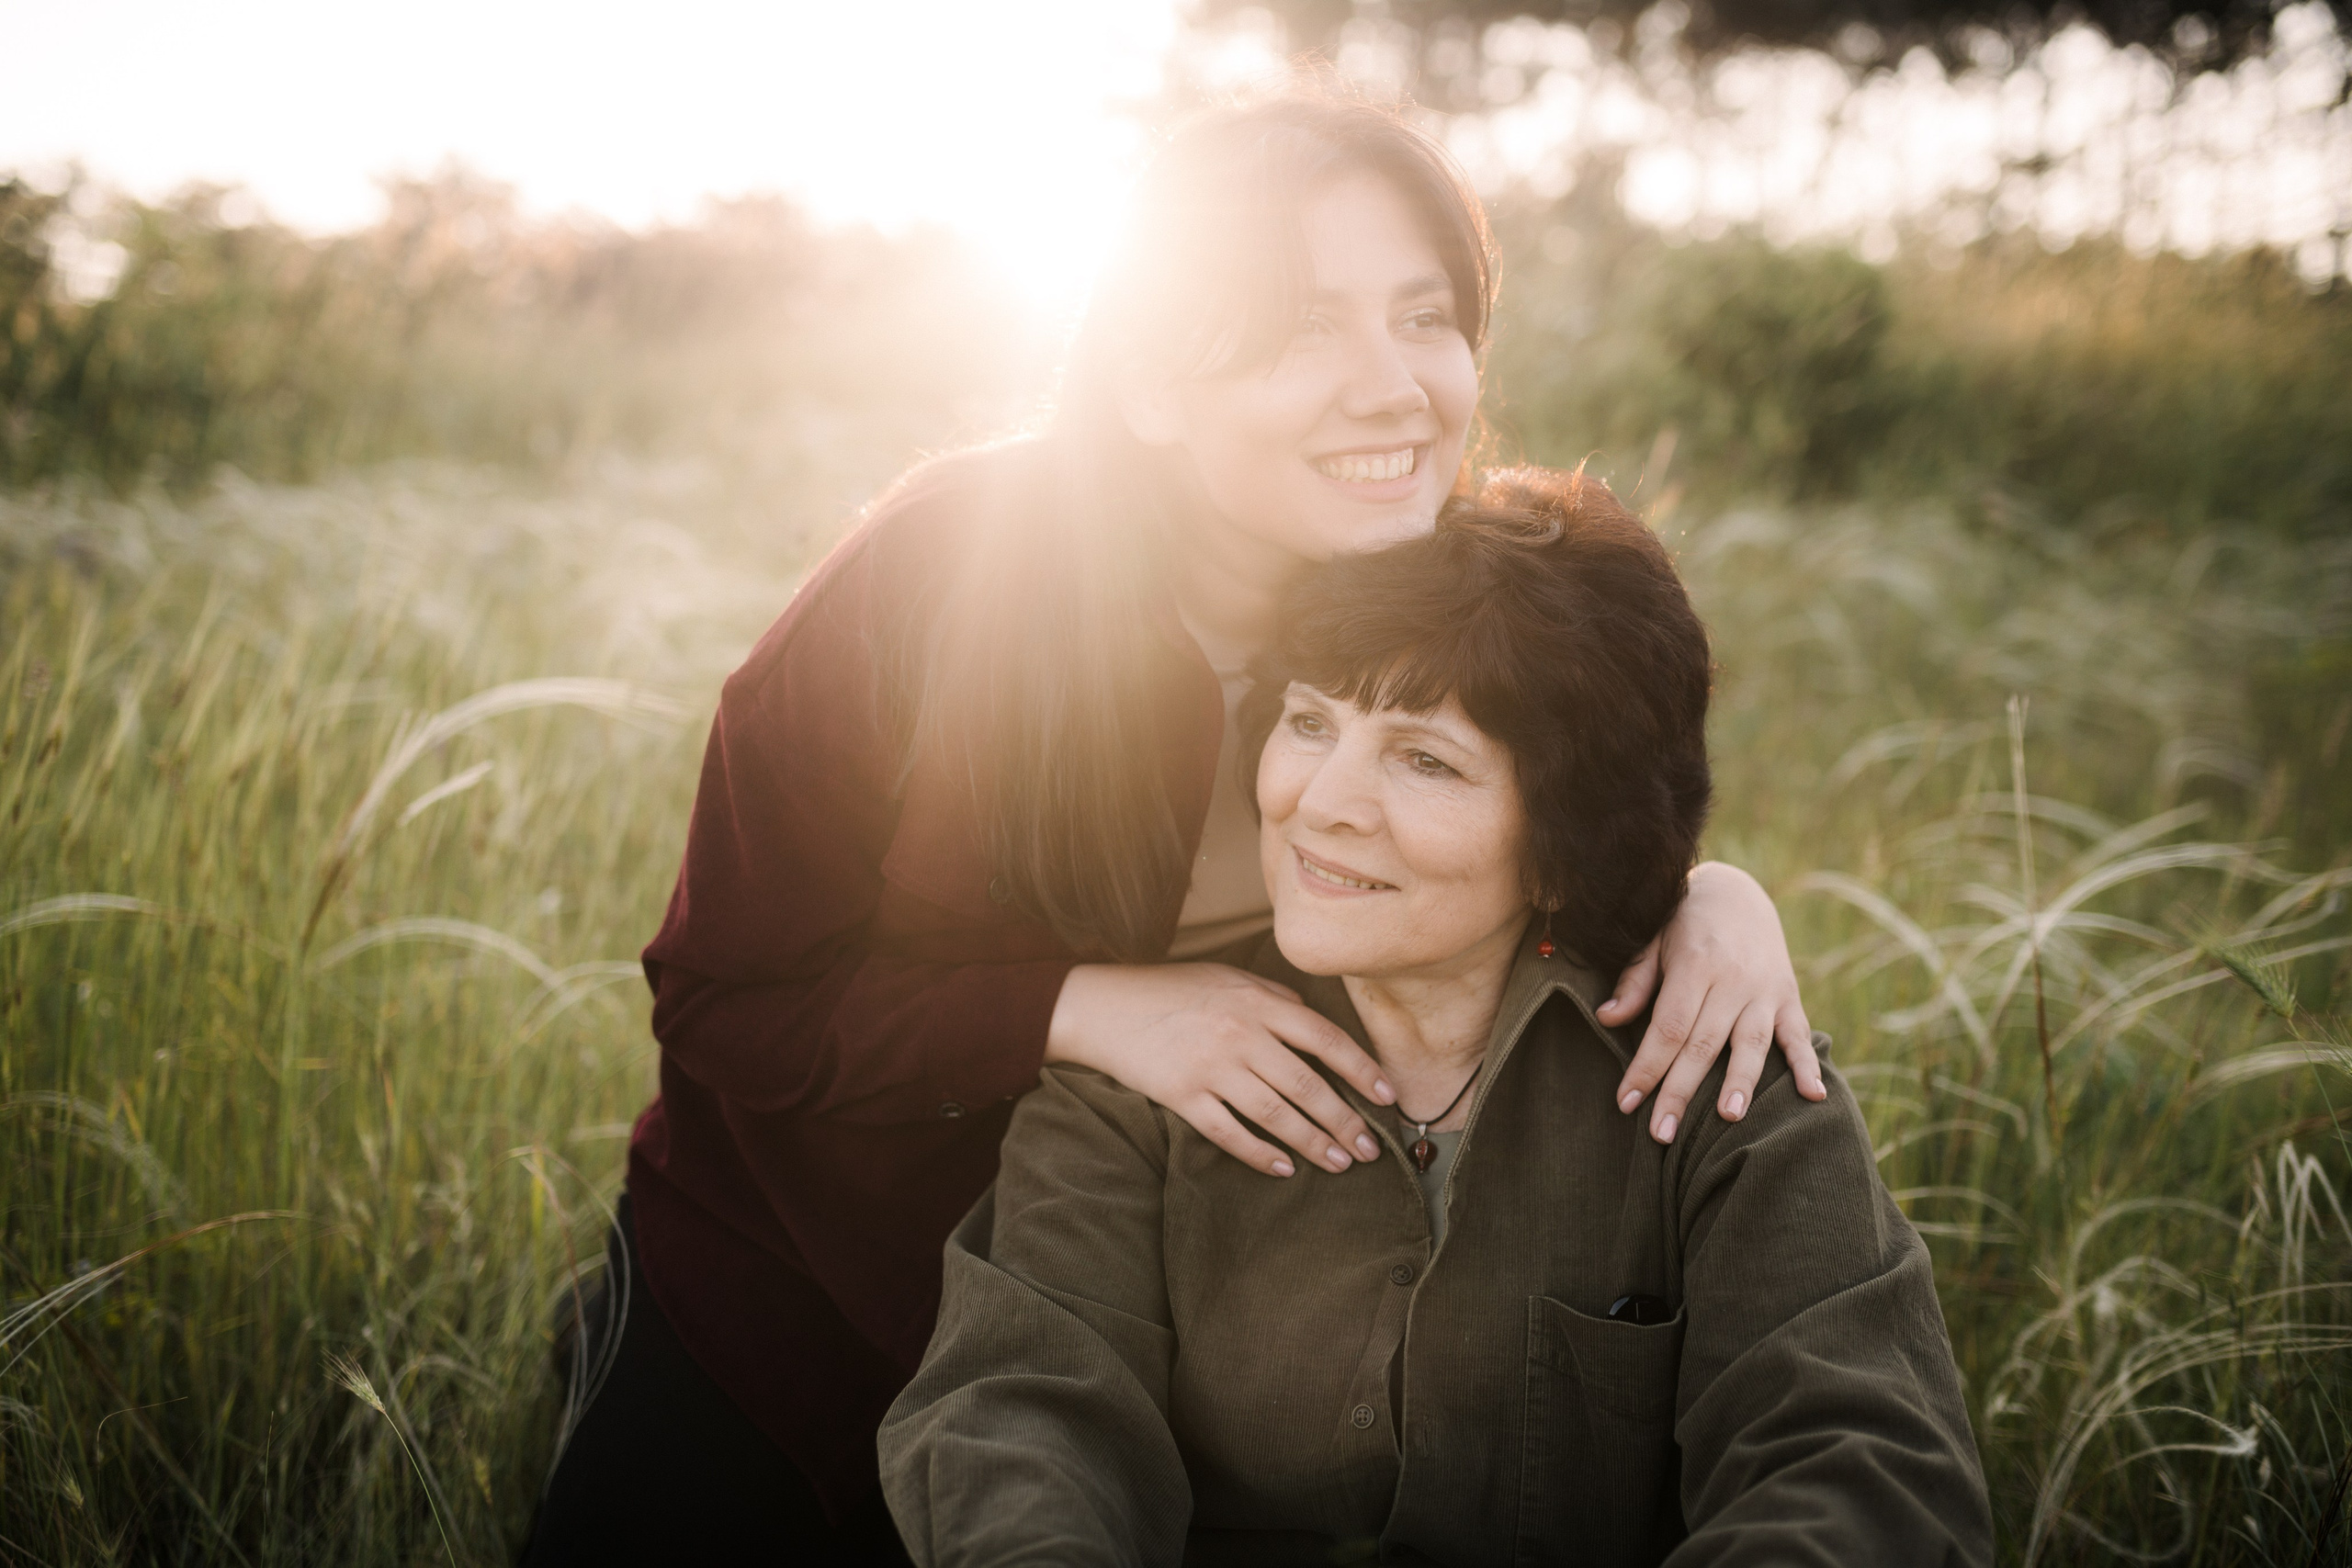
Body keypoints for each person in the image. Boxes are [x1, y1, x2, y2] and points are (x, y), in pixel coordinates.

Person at [522, 91, 1827, 1562]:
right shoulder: (942, 581)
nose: (1395, 386)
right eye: (1301, 328)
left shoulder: (1450, 587)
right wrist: (1086, 1007)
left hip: (1190, 1302)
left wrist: (1708, 894)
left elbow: (1566, 817)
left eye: (1425, 316)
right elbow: (724, 999)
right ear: (1150, 381)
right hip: (807, 1272)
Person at [879, 468, 1992, 1565]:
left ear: (1569, 839)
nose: (1321, 805)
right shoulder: (1149, 1068)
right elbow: (1017, 1417)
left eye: (1422, 759)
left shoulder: (1722, 1079)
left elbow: (1861, 1463)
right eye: (1308, 721)